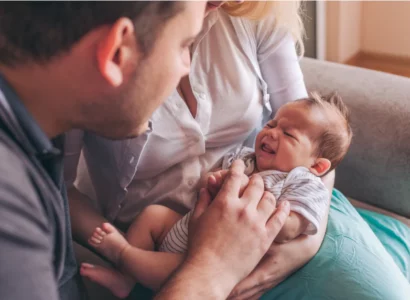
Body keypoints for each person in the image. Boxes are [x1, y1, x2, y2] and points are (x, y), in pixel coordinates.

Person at [0, 2, 291, 300]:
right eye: (184, 45)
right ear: (115, 53)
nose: (187, 67)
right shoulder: (9, 211)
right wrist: (214, 267)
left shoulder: (34, 140)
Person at [65, 1, 334, 298]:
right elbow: (58, 184)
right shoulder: (94, 34)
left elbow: (314, 146)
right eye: (271, 125)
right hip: (163, 231)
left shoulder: (253, 12)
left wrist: (298, 249)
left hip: (253, 233)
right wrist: (119, 250)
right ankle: (128, 274)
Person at [79, 92, 352, 298]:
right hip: (190, 227)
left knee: (180, 269)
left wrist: (273, 216)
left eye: (288, 134)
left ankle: (125, 254)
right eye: (271, 124)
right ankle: (125, 280)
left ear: (317, 166)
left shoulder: (301, 181)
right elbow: (207, 184)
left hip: (218, 252)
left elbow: (296, 225)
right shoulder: (244, 158)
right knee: (153, 215)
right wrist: (216, 181)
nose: (271, 133)